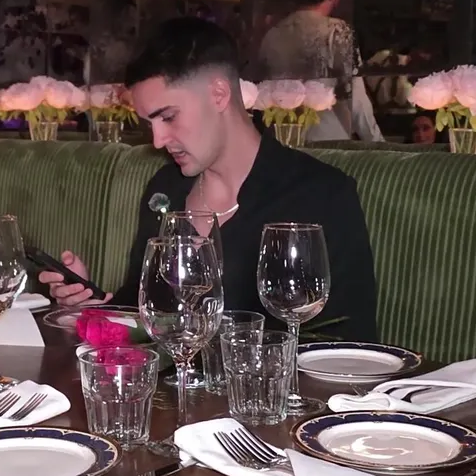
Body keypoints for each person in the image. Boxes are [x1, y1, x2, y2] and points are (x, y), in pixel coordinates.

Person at [39, 17, 379, 342]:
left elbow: (349, 341)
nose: (157, 140)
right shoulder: (166, 190)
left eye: (168, 117)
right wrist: (91, 305)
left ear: (219, 94)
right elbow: (143, 312)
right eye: (149, 123)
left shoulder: (321, 195)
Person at [257, 0, 383, 143]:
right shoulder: (336, 31)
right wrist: (377, 143)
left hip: (282, 138)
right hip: (326, 141)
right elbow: (355, 98)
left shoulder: (272, 34)